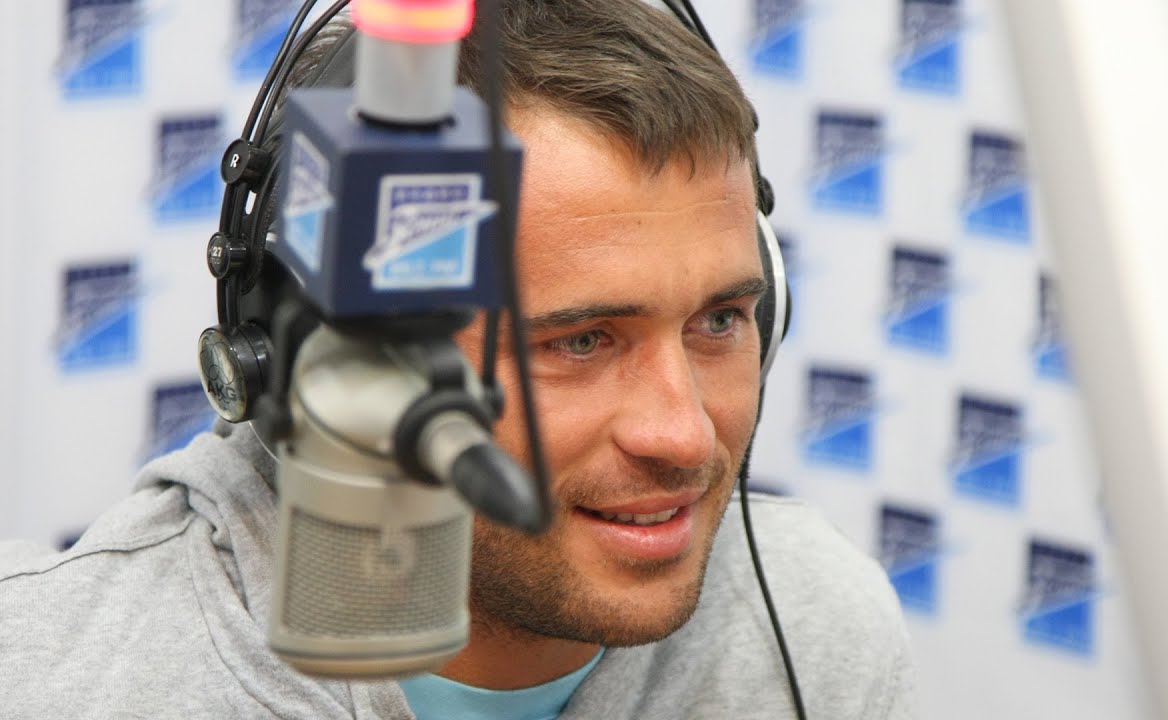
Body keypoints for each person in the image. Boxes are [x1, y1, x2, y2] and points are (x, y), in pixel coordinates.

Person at [0, 1, 916, 717]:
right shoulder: (52, 682)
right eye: (581, 341)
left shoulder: (815, 624)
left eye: (719, 321)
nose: (683, 436)